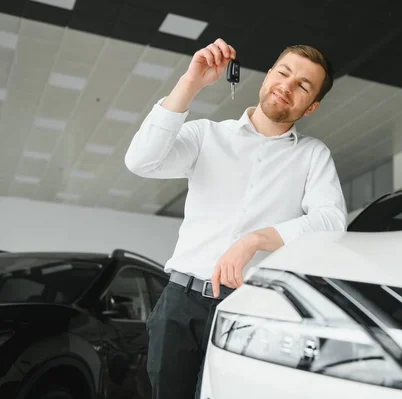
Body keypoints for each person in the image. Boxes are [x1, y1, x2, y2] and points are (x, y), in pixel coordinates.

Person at [124, 38, 347, 398]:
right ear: (266, 77)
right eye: (283, 73)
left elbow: (332, 222)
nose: (287, 87)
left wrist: (255, 240)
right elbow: (141, 161)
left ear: (312, 107)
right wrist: (190, 83)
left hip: (252, 309)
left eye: (303, 86)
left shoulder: (313, 156)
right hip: (180, 302)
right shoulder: (205, 134)